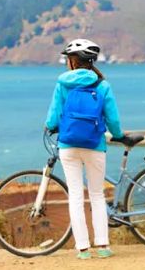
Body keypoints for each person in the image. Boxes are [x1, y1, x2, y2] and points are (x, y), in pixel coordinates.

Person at [45, 38, 125, 260]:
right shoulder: (102, 85)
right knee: (97, 195)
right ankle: (102, 245)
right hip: (94, 146)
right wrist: (119, 136)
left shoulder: (62, 84)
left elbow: (53, 116)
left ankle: (82, 249)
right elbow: (113, 120)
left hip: (68, 146)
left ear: (72, 61)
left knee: (76, 196)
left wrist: (51, 126)